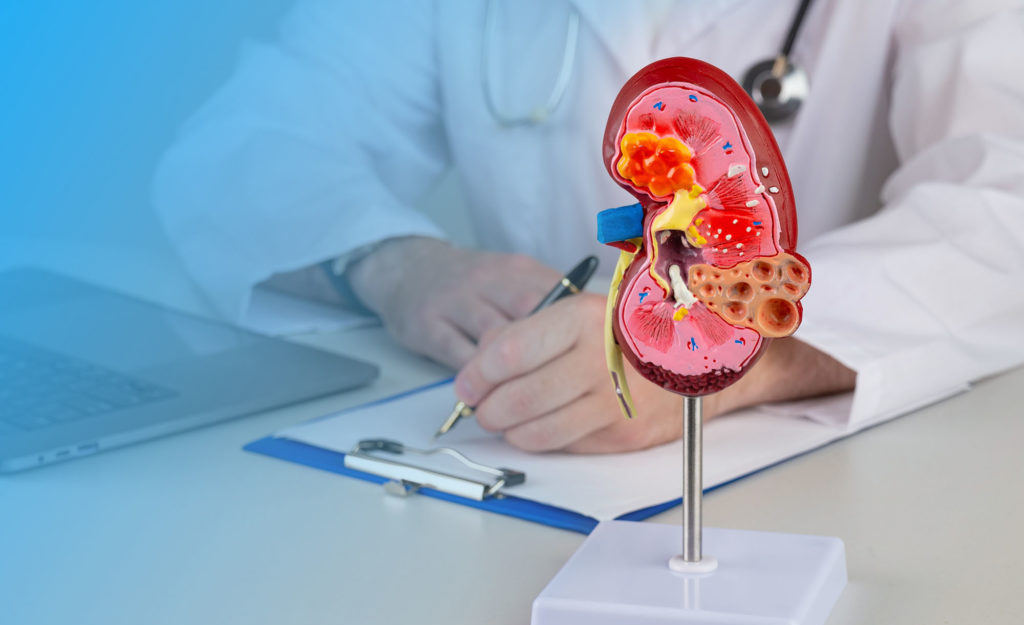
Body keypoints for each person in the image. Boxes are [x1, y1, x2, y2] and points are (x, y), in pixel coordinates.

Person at [154, 0, 1024, 453]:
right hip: (533, 475)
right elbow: (240, 144)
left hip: (847, 489)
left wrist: (728, 356)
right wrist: (395, 264)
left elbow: (1003, 208)